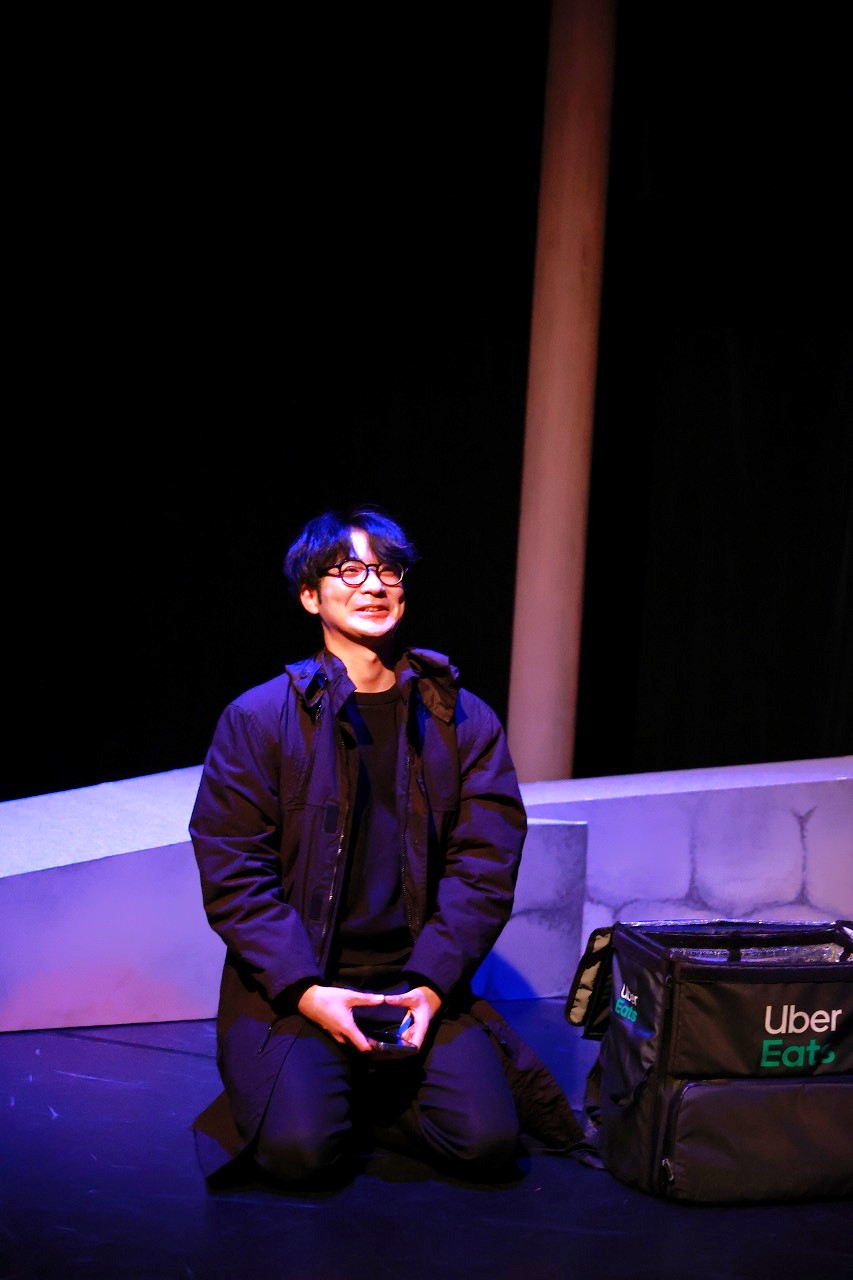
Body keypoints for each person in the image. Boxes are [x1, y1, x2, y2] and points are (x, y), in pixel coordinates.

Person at [189, 504, 583, 1188]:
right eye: (348, 571)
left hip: (413, 980)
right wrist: (307, 991)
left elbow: (484, 868)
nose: (373, 584)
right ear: (310, 596)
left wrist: (429, 987)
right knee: (299, 1157)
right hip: (304, 984)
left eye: (388, 570)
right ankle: (326, 1084)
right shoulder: (258, 719)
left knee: (486, 1145)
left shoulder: (462, 718)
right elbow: (234, 874)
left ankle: (366, 1089)